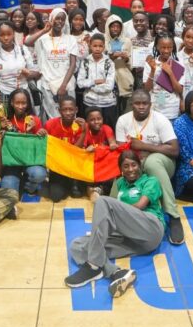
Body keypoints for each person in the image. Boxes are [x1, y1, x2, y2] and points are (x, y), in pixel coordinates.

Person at [65, 149, 163, 298]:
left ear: (140, 165)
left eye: (134, 165)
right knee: (77, 245)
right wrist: (101, 231)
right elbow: (109, 214)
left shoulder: (150, 181)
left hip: (150, 230)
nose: (130, 169)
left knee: (103, 201)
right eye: (126, 166)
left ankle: (93, 266)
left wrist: (112, 217)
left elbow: (140, 205)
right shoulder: (119, 183)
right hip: (133, 240)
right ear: (120, 169)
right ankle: (116, 273)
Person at [114, 90, 184, 244]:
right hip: (135, 164)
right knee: (122, 168)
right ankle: (116, 214)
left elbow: (174, 150)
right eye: (137, 103)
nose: (141, 107)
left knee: (152, 162)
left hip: (162, 163)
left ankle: (173, 216)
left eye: (145, 103)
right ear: (131, 104)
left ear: (150, 104)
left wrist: (144, 146)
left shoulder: (160, 119)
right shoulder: (123, 121)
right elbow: (122, 152)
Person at [29, 8, 78, 121]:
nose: (60, 21)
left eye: (63, 19)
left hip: (66, 84)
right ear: (51, 19)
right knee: (52, 118)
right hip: (47, 83)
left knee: (68, 115)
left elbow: (73, 64)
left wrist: (63, 86)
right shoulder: (42, 38)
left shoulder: (70, 39)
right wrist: (44, 31)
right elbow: (27, 42)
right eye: (57, 18)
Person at [0, 88, 47, 195]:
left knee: (39, 174)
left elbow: (38, 145)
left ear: (28, 104)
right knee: (8, 189)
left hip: (30, 160)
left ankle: (27, 186)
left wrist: (38, 132)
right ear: (12, 103)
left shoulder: (34, 120)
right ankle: (17, 181)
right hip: (12, 162)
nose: (20, 106)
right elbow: (2, 145)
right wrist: (2, 129)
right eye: (17, 103)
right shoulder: (5, 120)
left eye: (23, 103)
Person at [76, 33, 118, 129]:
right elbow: (80, 83)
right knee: (90, 130)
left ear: (104, 47)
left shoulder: (109, 63)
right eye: (95, 46)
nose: (97, 49)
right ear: (90, 46)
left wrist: (90, 86)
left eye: (100, 46)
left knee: (107, 130)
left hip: (107, 102)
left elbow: (109, 86)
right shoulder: (85, 62)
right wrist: (95, 82)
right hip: (89, 102)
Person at [143, 34, 184, 121]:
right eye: (163, 47)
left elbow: (179, 90)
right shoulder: (150, 64)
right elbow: (146, 89)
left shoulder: (178, 64)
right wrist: (152, 70)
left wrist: (170, 73)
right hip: (155, 107)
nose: (166, 50)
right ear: (157, 47)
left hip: (171, 108)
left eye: (169, 47)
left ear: (173, 47)